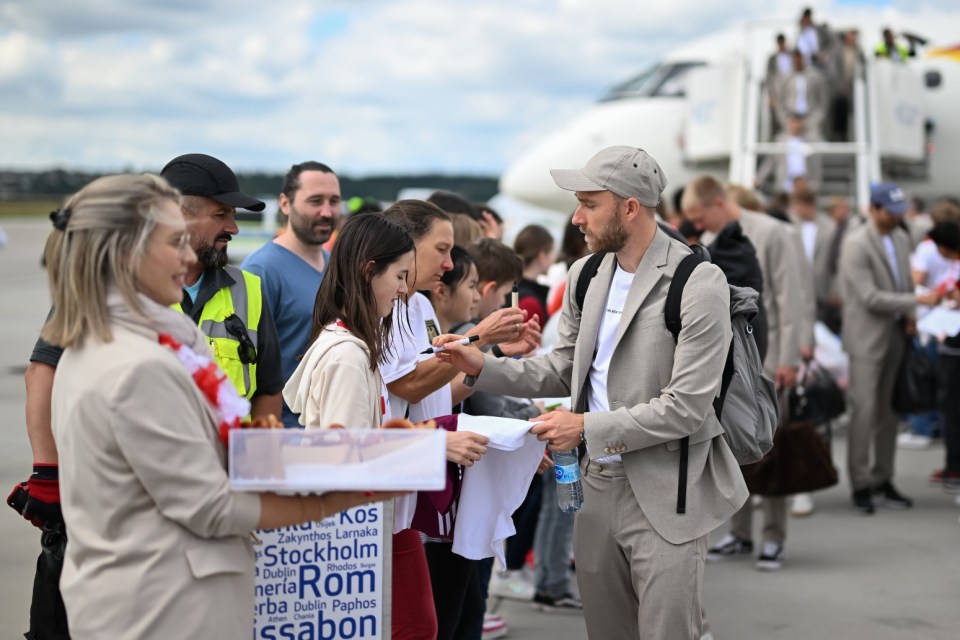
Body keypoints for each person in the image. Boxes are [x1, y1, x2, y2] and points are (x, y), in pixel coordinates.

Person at [33, 173, 398, 639]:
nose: (189, 258)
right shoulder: (137, 366)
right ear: (127, 254)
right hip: (164, 613)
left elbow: (228, 451)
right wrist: (344, 492)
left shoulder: (135, 340)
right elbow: (211, 507)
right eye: (175, 242)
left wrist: (357, 455)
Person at [436, 146, 748, 639]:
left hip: (669, 489)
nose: (576, 218)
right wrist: (482, 365)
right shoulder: (585, 275)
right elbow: (564, 369)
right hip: (595, 488)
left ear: (630, 207)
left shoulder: (698, 281)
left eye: (588, 203)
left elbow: (688, 407)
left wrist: (583, 426)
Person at [379, 200, 536, 640]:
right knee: (427, 623)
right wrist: (481, 339)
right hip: (400, 489)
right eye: (442, 250)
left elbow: (436, 396)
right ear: (406, 247)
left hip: (431, 485)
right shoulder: (389, 310)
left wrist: (490, 361)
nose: (449, 263)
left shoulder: (420, 308)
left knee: (449, 618)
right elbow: (408, 387)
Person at [281, 213, 438, 640]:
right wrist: (430, 450)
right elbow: (344, 460)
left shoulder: (348, 346)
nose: (405, 290)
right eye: (400, 276)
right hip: (357, 539)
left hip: (369, 531)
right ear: (370, 270)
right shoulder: (347, 356)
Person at [683, 176, 809, 569]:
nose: (696, 223)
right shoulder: (716, 239)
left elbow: (791, 296)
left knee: (771, 446)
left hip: (771, 359)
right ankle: (739, 533)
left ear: (718, 203)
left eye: (698, 215)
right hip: (733, 364)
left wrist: (788, 359)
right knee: (735, 444)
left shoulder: (775, 232)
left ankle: (774, 537)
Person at [160, 153, 283, 419]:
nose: (234, 228)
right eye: (220, 215)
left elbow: (269, 391)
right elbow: (53, 369)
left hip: (229, 460)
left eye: (233, 215)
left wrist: (256, 456)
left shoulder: (249, 289)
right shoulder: (116, 288)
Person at [839, 182, 937, 514]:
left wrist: (910, 314)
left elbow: (905, 282)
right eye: (891, 213)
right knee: (864, 413)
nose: (897, 218)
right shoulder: (856, 244)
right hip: (866, 340)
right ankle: (861, 483)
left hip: (895, 334)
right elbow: (869, 297)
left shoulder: (900, 236)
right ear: (875, 209)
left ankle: (883, 478)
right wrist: (918, 300)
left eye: (900, 212)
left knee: (889, 413)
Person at [241, 161, 341, 427]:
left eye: (334, 201)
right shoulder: (261, 270)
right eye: (315, 201)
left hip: (331, 429)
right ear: (285, 204)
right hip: (286, 431)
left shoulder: (337, 266)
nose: (327, 212)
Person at [775, 49, 829, 139]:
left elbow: (822, 104)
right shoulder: (786, 78)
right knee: (779, 143)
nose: (797, 61)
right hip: (790, 122)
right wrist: (788, 122)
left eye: (799, 58)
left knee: (817, 142)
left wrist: (809, 122)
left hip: (811, 122)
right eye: (794, 58)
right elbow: (780, 103)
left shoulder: (816, 77)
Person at [513, 224, 556, 327]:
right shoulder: (529, 302)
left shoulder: (511, 285)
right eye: (551, 252)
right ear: (541, 255)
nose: (554, 258)